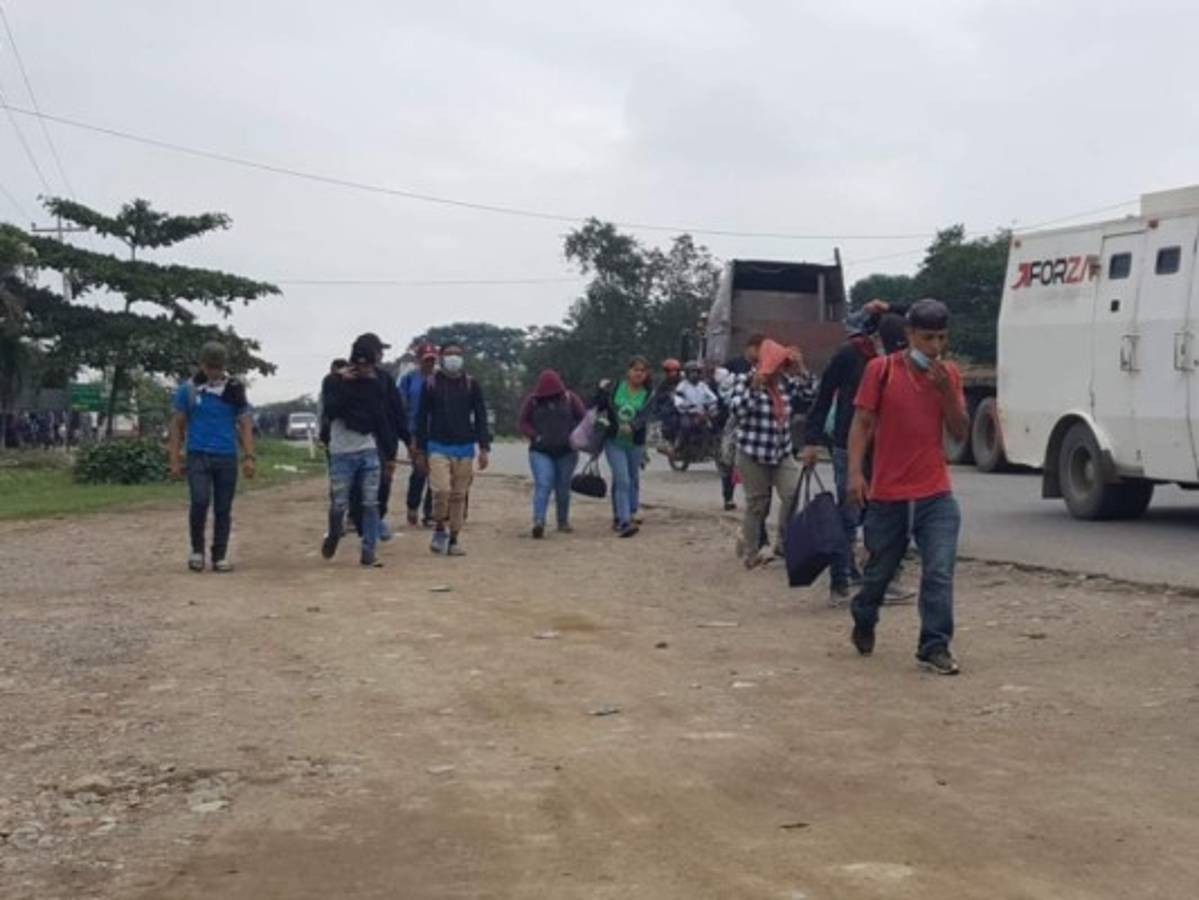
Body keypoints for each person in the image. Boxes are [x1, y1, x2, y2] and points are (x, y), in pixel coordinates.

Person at [847, 299, 970, 675]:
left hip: (935, 491)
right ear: (910, 335)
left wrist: (946, 391)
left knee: (939, 570)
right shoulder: (881, 371)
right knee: (879, 573)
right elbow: (863, 424)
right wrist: (854, 473)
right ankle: (864, 616)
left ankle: (934, 645)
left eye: (941, 338)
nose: (934, 347)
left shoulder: (948, 374)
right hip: (889, 495)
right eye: (927, 337)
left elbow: (960, 431)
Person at [801, 300, 890, 602]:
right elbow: (824, 396)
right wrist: (810, 441)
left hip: (886, 447)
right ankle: (839, 582)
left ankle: (875, 579)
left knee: (882, 514)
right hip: (847, 444)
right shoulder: (849, 355)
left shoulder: (896, 360)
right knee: (848, 515)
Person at [168, 341, 255, 573]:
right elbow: (177, 425)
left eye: (218, 368)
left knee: (223, 508)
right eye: (210, 367)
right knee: (199, 500)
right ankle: (197, 550)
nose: (214, 372)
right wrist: (175, 458)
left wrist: (248, 456)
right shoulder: (188, 391)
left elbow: (245, 423)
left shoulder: (234, 389)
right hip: (198, 454)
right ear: (202, 365)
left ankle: (220, 554)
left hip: (226, 456)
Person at [320, 335, 400, 568]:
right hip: (341, 452)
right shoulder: (333, 382)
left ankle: (369, 551)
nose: (369, 369)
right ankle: (334, 533)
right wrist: (345, 383)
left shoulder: (375, 384)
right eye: (366, 365)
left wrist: (390, 453)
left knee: (370, 502)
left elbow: (379, 418)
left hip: (368, 450)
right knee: (340, 504)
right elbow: (332, 410)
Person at [729, 339, 807, 568]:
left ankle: (783, 542)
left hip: (781, 451)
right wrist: (755, 387)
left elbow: (809, 394)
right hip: (752, 452)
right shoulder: (744, 380)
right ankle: (750, 551)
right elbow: (737, 411)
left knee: (792, 494)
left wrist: (801, 367)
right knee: (757, 504)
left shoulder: (785, 383)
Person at [414, 341, 491, 556]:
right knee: (441, 491)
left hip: (465, 447)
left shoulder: (471, 384)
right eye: (449, 353)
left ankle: (454, 538)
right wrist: (420, 450)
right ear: (441, 357)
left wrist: (484, 448)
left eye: (458, 354)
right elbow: (421, 418)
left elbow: (481, 416)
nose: (454, 357)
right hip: (437, 445)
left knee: (459, 495)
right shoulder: (431, 384)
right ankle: (439, 527)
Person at [346, 333, 409, 542]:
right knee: (355, 485)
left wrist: (409, 441)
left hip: (382, 441)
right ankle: (357, 519)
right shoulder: (343, 379)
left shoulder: (385, 380)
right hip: (352, 440)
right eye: (379, 351)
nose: (382, 355)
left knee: (383, 483)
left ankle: (378, 518)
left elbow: (397, 412)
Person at [518, 369, 585, 538]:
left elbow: (583, 418)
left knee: (563, 488)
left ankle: (562, 521)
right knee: (543, 484)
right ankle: (539, 521)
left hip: (567, 451)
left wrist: (573, 434)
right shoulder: (532, 401)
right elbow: (523, 422)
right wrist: (535, 435)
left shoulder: (570, 399)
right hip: (540, 451)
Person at [594, 356, 652, 537]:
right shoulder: (615, 388)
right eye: (636, 369)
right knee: (622, 479)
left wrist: (633, 426)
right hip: (614, 441)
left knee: (631, 478)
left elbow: (645, 416)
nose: (639, 373)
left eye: (642, 371)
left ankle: (620, 515)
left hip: (635, 443)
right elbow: (599, 405)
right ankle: (625, 521)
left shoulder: (648, 394)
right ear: (628, 371)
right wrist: (600, 391)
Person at [399, 343, 438, 527]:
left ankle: (430, 513)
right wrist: (408, 437)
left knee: (437, 473)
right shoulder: (408, 380)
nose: (429, 364)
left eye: (432, 360)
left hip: (438, 433)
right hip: (416, 432)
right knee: (420, 472)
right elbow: (402, 407)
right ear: (419, 360)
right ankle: (413, 505)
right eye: (426, 360)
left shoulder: (440, 379)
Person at [650, 358, 683, 450]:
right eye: (668, 371)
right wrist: (668, 395)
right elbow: (657, 398)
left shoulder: (683, 383)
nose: (672, 373)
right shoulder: (663, 384)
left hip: (684, 408)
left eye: (674, 371)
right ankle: (671, 440)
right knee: (671, 421)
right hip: (668, 409)